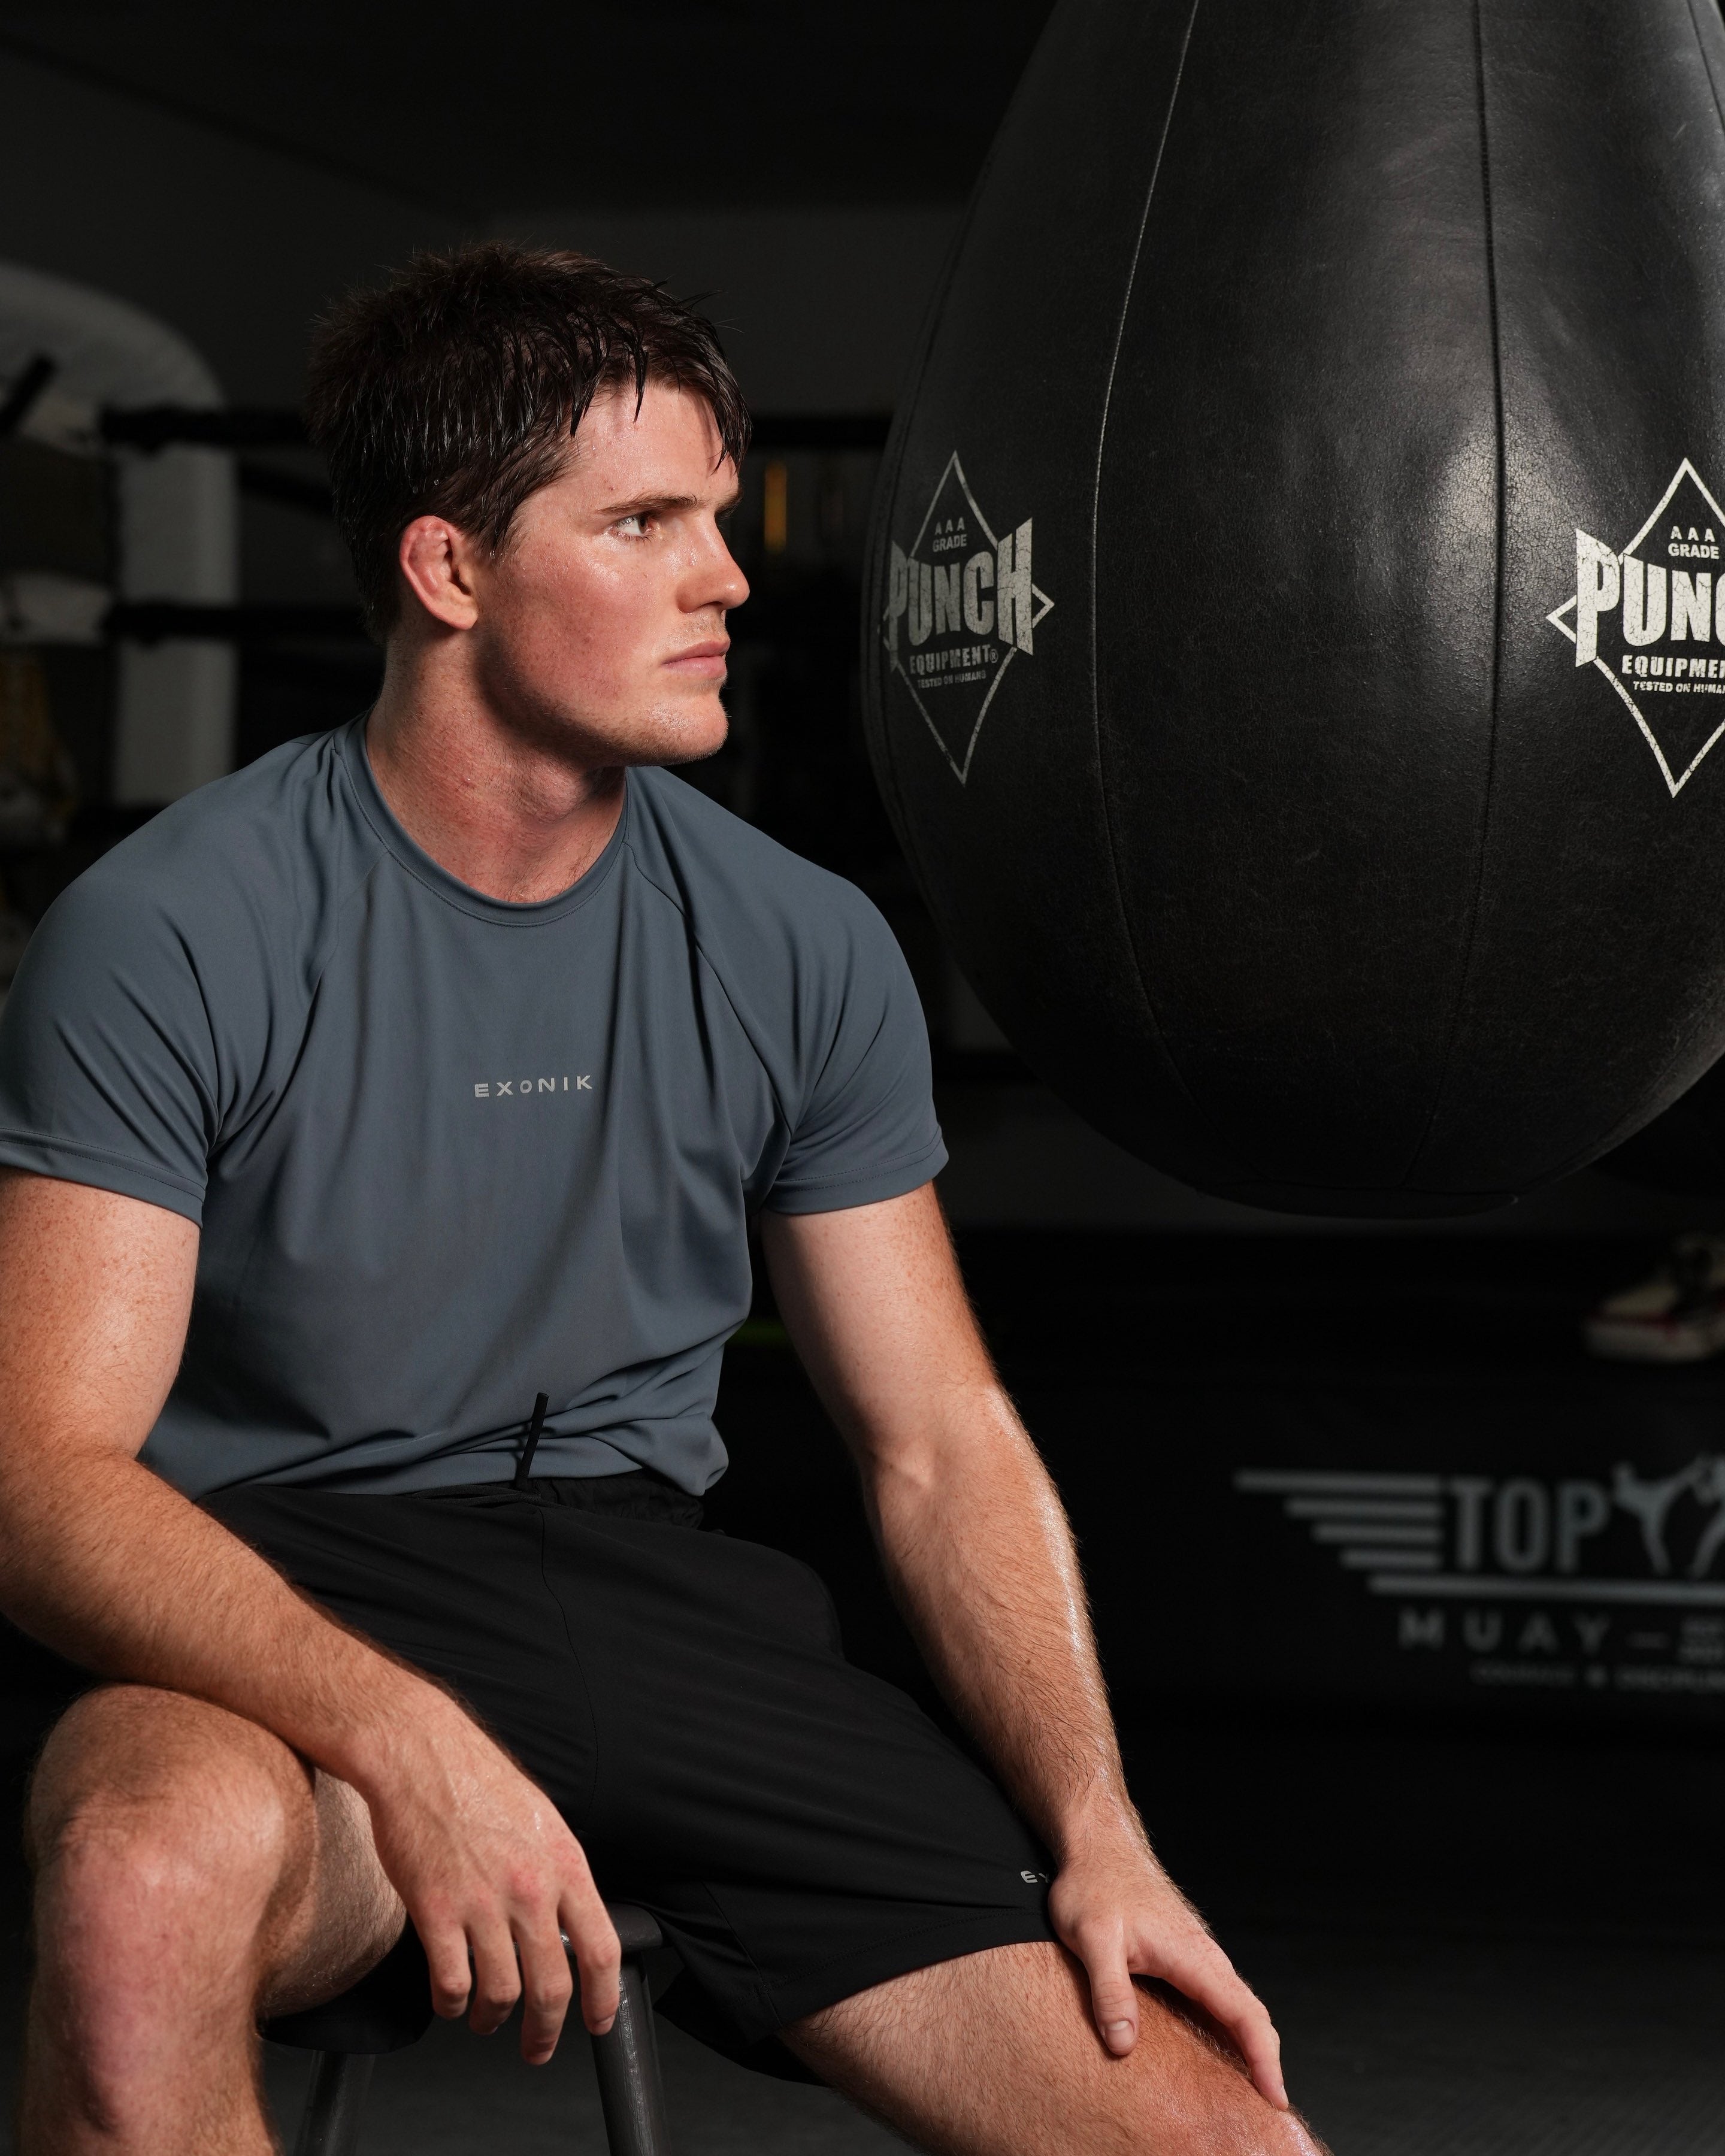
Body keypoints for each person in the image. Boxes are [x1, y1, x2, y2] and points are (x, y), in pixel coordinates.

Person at [0, 244, 1323, 2156]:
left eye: (718, 514)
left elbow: (940, 1439)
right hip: (290, 1593)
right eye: (644, 521)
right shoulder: (175, 929)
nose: (726, 575)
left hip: (658, 1602)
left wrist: (1097, 1827)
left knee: (1224, 2140)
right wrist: (406, 1738)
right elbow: (41, 1474)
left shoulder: (802, 944)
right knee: (135, 1891)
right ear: (448, 571)